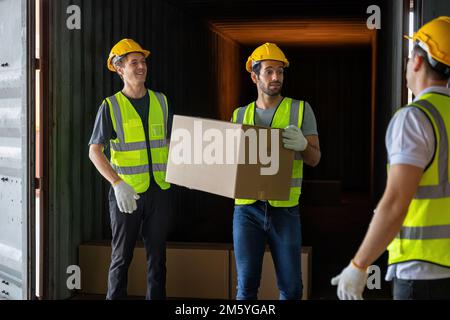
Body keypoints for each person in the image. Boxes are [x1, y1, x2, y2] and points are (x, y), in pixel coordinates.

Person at [331, 16, 450, 300]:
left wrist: (359, 265)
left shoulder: (415, 118)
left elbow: (396, 203)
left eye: (410, 58)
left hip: (422, 273)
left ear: (418, 62)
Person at [231, 42, 321, 300]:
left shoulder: (300, 110)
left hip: (285, 210)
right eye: (269, 71)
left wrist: (304, 146)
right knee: (246, 287)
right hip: (246, 210)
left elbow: (314, 158)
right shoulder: (238, 115)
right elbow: (227, 165)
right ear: (254, 76)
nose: (276, 78)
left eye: (280, 72)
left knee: (291, 288)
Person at [88, 39, 173, 300]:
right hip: (127, 194)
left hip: (159, 190)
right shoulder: (111, 106)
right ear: (119, 69)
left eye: (143, 61)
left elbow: (172, 143)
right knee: (121, 258)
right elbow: (94, 151)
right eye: (133, 62)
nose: (141, 67)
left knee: (157, 260)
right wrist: (117, 184)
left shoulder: (161, 101)